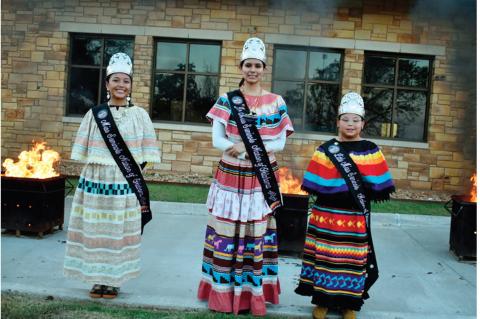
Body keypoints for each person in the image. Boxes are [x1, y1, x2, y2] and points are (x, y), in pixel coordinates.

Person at [197, 37, 294, 316]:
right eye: (248, 65)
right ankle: (224, 292)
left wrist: (251, 148)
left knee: (257, 228)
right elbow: (217, 138)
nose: (252, 70)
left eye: (257, 65)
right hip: (231, 173)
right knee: (227, 228)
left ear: (264, 68)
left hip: (261, 175)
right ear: (241, 67)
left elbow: (280, 143)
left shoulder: (276, 102)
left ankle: (253, 294)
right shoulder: (227, 100)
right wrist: (238, 148)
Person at [64, 52, 161, 299]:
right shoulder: (94, 114)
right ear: (107, 84)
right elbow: (84, 151)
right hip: (95, 183)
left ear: (130, 85)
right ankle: (97, 279)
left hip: (124, 184)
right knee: (95, 230)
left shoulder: (140, 115)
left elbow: (145, 154)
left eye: (126, 81)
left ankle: (114, 280)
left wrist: (131, 176)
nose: (121, 85)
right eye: (116, 80)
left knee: (117, 232)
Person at [294, 92, 395, 319]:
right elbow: (314, 182)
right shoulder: (325, 149)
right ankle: (322, 301)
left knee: (352, 259)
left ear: (363, 123)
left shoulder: (370, 149)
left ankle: (350, 304)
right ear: (338, 121)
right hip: (326, 216)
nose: (350, 124)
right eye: (346, 119)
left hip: (354, 217)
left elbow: (379, 183)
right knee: (326, 257)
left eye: (355, 120)